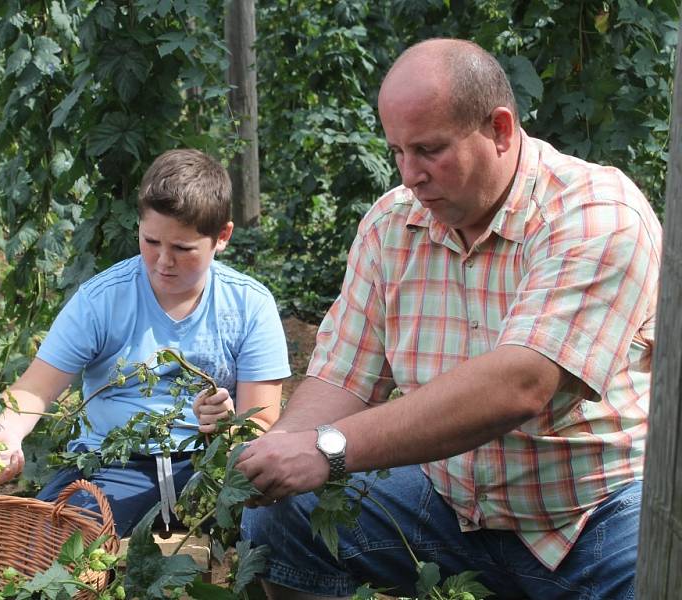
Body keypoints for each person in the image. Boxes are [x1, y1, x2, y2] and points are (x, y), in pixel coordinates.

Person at [236, 38, 661, 600]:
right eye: (397, 152)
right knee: (285, 516)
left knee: (657, 572)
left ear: (501, 129)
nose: (410, 175)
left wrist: (326, 449)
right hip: (449, 508)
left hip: (592, 516)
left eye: (429, 149)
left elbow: (519, 384)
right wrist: (276, 455)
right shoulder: (393, 224)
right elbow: (342, 375)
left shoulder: (595, 213)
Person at [0, 148, 290, 538]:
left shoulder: (250, 305)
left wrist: (228, 427)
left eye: (182, 249)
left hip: (210, 470)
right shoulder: (101, 300)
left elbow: (261, 425)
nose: (162, 261)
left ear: (221, 237)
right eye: (151, 241)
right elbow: (34, 391)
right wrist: (6, 431)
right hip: (112, 469)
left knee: (284, 526)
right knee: (53, 541)